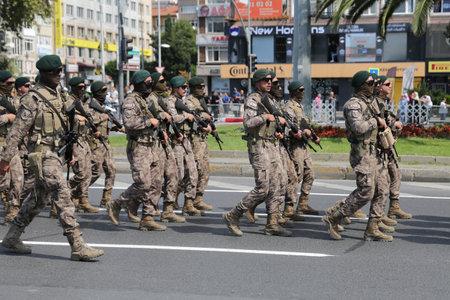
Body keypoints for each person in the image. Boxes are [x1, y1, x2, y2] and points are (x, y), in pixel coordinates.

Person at [0, 55, 104, 260]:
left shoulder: (59, 94)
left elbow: (65, 126)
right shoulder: (33, 98)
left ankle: (12, 237)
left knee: (38, 200)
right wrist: (5, 159)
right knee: (63, 195)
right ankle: (77, 245)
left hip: (56, 153)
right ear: (43, 73)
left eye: (60, 71)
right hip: (42, 154)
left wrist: (71, 151)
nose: (58, 75)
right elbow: (18, 131)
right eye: (54, 72)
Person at [322, 70, 392, 242]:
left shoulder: (371, 103)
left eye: (374, 83)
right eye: (370, 83)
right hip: (362, 154)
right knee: (366, 191)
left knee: (382, 189)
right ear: (360, 86)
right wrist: (377, 121)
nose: (373, 86)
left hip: (375, 152)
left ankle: (372, 228)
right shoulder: (353, 105)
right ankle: (334, 217)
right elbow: (359, 127)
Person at [222, 68, 291, 237]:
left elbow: (269, 123)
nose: (269, 83)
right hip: (259, 148)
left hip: (271, 145)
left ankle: (272, 223)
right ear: (258, 82)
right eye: (266, 80)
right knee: (263, 188)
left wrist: (275, 130)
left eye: (270, 80)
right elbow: (248, 123)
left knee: (279, 183)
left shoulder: (267, 99)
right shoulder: (253, 100)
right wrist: (265, 118)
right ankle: (233, 215)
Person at [106, 70, 166, 231]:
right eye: (147, 83)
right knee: (143, 183)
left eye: (150, 82)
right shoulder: (130, 101)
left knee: (156, 183)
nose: (150, 85)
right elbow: (129, 123)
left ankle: (147, 217)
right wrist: (148, 121)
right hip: (138, 147)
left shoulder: (144, 101)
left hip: (151, 145)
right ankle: (117, 204)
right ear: (139, 84)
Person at [146, 71, 185, 223]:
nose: (164, 84)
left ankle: (168, 209)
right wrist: (163, 116)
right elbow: (148, 117)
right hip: (154, 143)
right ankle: (144, 207)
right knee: (153, 180)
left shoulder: (161, 99)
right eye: (161, 81)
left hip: (165, 142)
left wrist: (174, 132)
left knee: (173, 174)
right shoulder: (149, 99)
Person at [167, 76, 204, 217]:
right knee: (178, 175)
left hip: (186, 140)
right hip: (175, 142)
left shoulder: (183, 102)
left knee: (193, 173)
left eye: (186, 87)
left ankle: (188, 204)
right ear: (175, 88)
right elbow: (172, 118)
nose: (185, 90)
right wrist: (186, 117)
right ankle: (168, 203)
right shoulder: (170, 101)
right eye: (183, 87)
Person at [377, 76, 412, 221]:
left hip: (388, 145)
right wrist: (392, 125)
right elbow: (378, 123)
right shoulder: (374, 103)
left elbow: (388, 119)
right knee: (376, 184)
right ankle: (345, 208)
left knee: (395, 175)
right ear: (379, 87)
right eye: (388, 84)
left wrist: (395, 123)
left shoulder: (384, 103)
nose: (391, 87)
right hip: (379, 148)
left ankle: (393, 208)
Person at [283, 81, 321, 218]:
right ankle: (288, 208)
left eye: (303, 89)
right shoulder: (289, 106)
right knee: (296, 176)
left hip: (303, 146)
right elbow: (289, 125)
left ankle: (303, 205)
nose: (302, 92)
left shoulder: (300, 106)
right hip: (294, 146)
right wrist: (300, 132)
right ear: (293, 91)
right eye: (300, 89)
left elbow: (304, 124)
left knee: (310, 173)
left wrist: (313, 135)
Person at [88, 81, 124, 209]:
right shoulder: (90, 106)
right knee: (95, 172)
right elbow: (89, 120)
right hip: (95, 144)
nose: (106, 93)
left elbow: (107, 124)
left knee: (111, 169)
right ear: (96, 92)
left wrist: (118, 127)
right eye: (103, 91)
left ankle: (106, 198)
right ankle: (77, 192)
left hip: (105, 143)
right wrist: (104, 117)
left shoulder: (102, 107)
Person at [67, 77, 100, 214]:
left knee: (87, 172)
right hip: (73, 140)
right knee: (80, 173)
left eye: (84, 87)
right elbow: (62, 117)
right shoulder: (67, 101)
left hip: (84, 140)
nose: (83, 89)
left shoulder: (82, 102)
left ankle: (83, 201)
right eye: (80, 87)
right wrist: (75, 117)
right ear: (73, 87)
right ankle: (61, 191)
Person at [185, 76, 214, 211]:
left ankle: (198, 199)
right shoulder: (189, 101)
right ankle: (186, 201)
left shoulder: (200, 101)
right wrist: (205, 117)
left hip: (202, 140)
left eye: (203, 86)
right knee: (193, 172)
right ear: (193, 88)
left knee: (205, 171)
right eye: (199, 87)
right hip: (194, 140)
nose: (202, 89)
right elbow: (193, 117)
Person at [0, 71, 24, 225]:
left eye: (12, 83)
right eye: (8, 83)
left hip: (11, 143)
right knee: (4, 180)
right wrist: (6, 118)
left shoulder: (12, 100)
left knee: (18, 178)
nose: (11, 86)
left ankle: (13, 210)